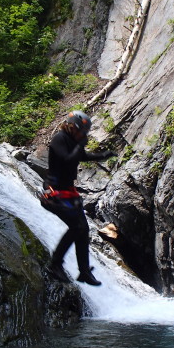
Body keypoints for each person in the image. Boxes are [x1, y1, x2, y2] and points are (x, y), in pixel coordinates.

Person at [41, 111, 115, 286]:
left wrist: (104, 155)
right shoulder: (59, 138)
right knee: (77, 227)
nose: (84, 136)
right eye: (82, 132)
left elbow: (82, 156)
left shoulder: (72, 141)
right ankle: (55, 264)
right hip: (54, 194)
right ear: (73, 127)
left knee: (84, 229)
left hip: (67, 193)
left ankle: (84, 271)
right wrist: (80, 145)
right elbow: (67, 160)